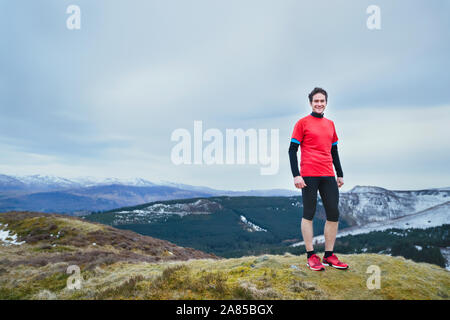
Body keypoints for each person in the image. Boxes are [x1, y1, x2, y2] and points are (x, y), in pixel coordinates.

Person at [288, 87, 349, 271]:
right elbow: (292, 150)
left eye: (322, 101)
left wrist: (340, 173)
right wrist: (296, 175)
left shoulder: (330, 124)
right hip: (308, 174)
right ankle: (310, 255)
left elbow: (334, 151)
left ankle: (329, 256)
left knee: (333, 214)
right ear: (311, 103)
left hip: (328, 174)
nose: (319, 104)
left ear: (326, 103)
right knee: (309, 213)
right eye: (316, 101)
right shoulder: (302, 123)